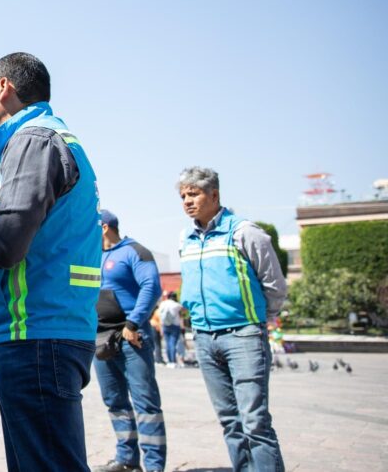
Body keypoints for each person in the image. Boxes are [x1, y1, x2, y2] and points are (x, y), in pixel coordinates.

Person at [0, 52, 101, 472]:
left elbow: (5, 246)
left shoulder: (33, 140)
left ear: (4, 88)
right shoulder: (49, 138)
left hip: (36, 333)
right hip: (50, 327)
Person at [177, 166, 287, 471]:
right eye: (183, 195)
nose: (187, 201)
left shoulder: (244, 232)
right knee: (230, 421)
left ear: (214, 194)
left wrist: (260, 321)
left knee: (255, 422)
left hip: (243, 336)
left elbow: (274, 284)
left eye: (194, 194)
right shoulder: (186, 238)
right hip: (203, 337)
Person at [92, 210, 166, 472]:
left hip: (131, 336)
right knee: (114, 401)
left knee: (145, 401)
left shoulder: (135, 251)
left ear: (103, 228)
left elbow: (151, 287)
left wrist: (133, 323)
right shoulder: (92, 256)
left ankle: (154, 465)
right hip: (101, 338)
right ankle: (126, 459)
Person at [158, 292, 184, 367]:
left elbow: (159, 314)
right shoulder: (175, 304)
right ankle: (173, 361)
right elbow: (184, 310)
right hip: (174, 325)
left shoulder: (163, 303)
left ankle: (169, 361)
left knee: (167, 343)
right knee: (172, 343)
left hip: (165, 325)